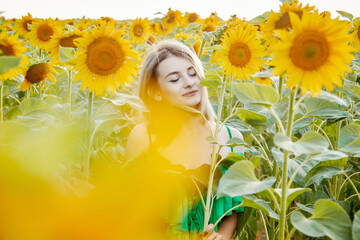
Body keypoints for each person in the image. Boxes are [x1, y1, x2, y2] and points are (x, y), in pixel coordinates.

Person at [125, 40, 244, 240]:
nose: (189, 83)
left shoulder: (230, 138)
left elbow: (233, 209)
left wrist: (221, 237)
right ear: (155, 92)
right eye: (174, 79)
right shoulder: (143, 138)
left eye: (192, 73)